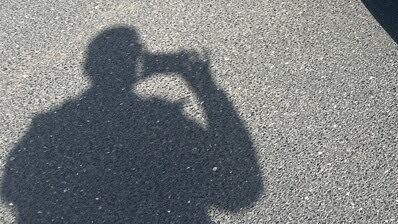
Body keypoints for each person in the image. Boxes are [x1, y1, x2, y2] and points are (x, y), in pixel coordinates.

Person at [2, 26, 262, 223]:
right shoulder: (163, 124)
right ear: (138, 67)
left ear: (88, 68)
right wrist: (204, 86)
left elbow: (13, 190)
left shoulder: (48, 130)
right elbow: (241, 191)